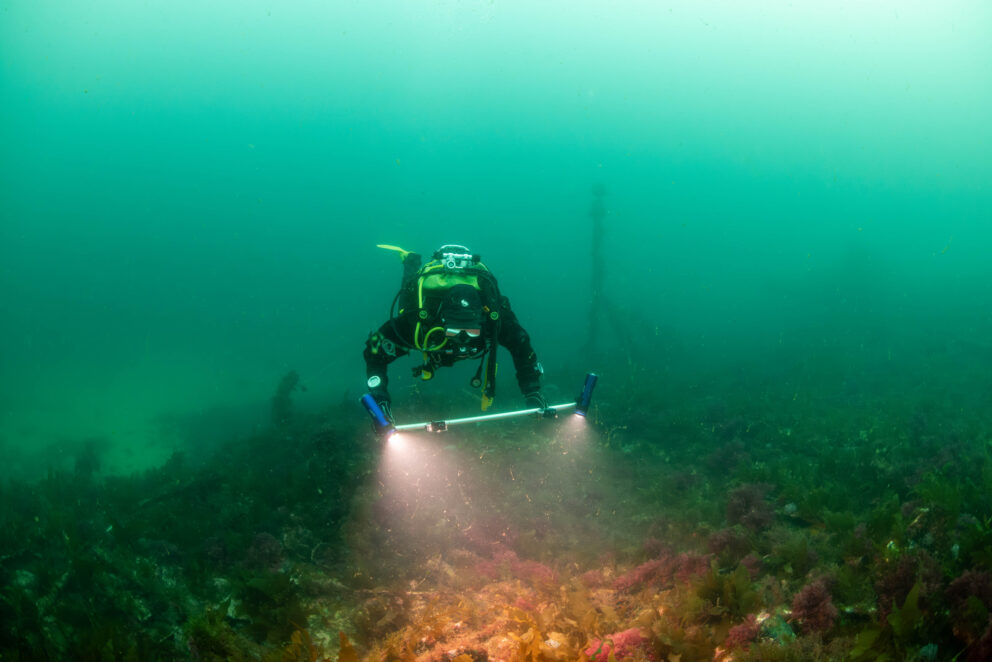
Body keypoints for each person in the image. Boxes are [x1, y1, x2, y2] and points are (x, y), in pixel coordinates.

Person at [364, 244, 546, 424]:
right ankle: (411, 261)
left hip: (460, 326)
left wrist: (533, 391)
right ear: (442, 323)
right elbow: (373, 352)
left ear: (481, 323)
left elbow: (521, 343)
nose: (463, 339)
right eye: (454, 331)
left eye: (471, 332)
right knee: (407, 302)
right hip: (428, 323)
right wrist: (380, 401)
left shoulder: (494, 320)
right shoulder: (418, 322)